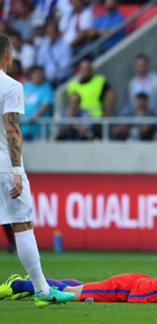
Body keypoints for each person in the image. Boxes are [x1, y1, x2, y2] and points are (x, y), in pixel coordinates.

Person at [0, 33, 75, 308]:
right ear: (8, 56)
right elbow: (11, 129)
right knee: (22, 225)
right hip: (4, 166)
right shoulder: (11, 86)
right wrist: (17, 170)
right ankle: (42, 291)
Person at [1, 267, 157, 304]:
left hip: (135, 284)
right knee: (69, 294)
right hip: (131, 289)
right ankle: (19, 284)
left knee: (80, 288)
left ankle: (25, 284)